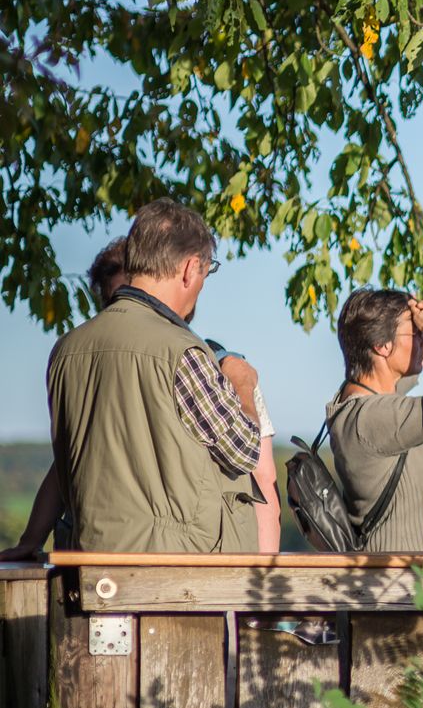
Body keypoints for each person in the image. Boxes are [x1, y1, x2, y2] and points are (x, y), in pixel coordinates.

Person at [40, 200, 262, 552]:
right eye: (207, 270)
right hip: (174, 573)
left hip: (89, 562)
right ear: (191, 268)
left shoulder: (66, 350)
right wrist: (242, 384)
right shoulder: (183, 351)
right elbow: (243, 450)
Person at [325, 288, 423, 551]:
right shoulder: (371, 418)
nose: (422, 339)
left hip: (409, 581)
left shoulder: (357, 405)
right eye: (415, 333)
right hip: (403, 585)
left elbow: (407, 369)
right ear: (382, 346)